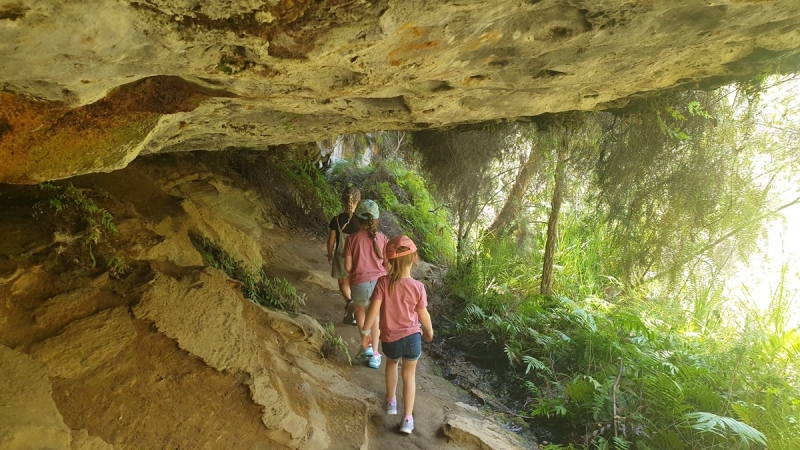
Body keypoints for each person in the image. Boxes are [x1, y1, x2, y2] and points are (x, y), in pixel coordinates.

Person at [360, 235, 433, 435]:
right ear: (415, 258)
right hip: (412, 338)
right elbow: (423, 314)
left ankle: (391, 402)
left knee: (391, 364)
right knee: (409, 375)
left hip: (390, 338)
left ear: (390, 260)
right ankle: (407, 419)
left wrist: (366, 332)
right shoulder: (418, 287)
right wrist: (429, 330)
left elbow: (373, 310)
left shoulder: (383, 283)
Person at [344, 199, 389, 369]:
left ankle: (365, 344)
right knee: (376, 317)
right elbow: (387, 266)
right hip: (380, 285)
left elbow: (348, 267)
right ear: (376, 220)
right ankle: (375, 355)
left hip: (359, 283)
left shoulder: (351, 239)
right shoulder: (383, 238)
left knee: (359, 311)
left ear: (356, 219)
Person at [327, 186, 361, 325]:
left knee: (343, 282)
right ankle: (356, 311)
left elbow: (331, 241)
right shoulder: (360, 221)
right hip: (357, 257)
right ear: (358, 202)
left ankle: (349, 302)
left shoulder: (336, 220)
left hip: (341, 256)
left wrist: (330, 254)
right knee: (355, 283)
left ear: (342, 200)